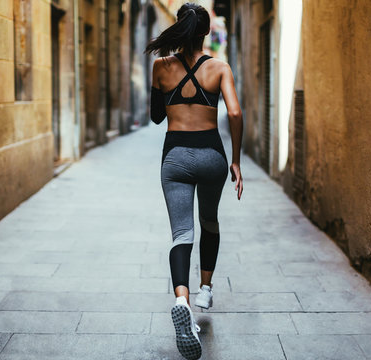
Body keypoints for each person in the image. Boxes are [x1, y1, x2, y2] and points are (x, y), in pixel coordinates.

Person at [144, 3, 243, 360]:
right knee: (209, 220)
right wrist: (235, 160)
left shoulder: (160, 67)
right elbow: (233, 111)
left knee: (181, 233)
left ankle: (181, 299)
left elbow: (156, 118)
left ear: (181, 29)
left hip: (175, 158)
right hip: (212, 156)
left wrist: (167, 95)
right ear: (204, 32)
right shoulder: (219, 67)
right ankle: (205, 290)